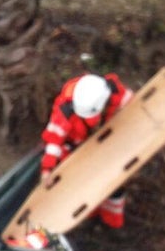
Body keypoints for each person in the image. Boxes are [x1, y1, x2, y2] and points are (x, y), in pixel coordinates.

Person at [41, 72, 134, 228]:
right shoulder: (66, 109)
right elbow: (54, 138)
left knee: (115, 182)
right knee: (81, 184)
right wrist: (47, 169)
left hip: (105, 140)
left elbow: (131, 102)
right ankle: (88, 215)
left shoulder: (111, 91)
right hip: (76, 149)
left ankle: (111, 221)